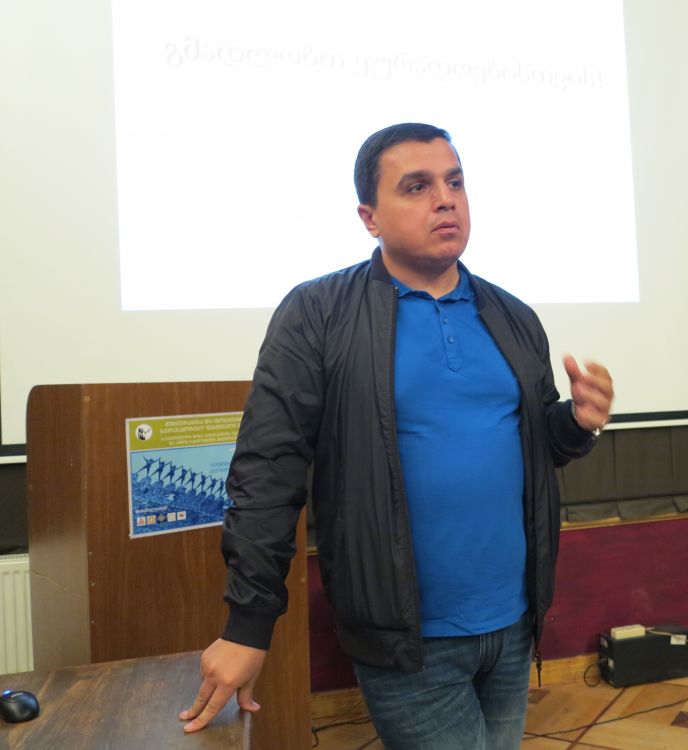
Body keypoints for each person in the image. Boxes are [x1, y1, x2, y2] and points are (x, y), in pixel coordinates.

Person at [180, 122, 614, 749]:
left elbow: (534, 444)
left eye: (455, 182)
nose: (446, 200)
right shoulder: (318, 313)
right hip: (405, 637)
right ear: (370, 218)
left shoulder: (513, 315)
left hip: (513, 621)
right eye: (417, 186)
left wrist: (573, 424)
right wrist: (249, 624)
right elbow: (267, 470)